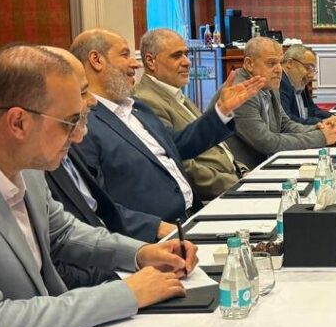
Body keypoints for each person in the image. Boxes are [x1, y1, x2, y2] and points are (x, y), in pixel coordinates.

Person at [0, 45, 194, 327]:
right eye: (70, 122)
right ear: (18, 122)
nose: (80, 135)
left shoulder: (22, 160)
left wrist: (141, 253)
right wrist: (126, 293)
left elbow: (63, 233)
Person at [72, 29, 264, 222]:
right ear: (96, 60)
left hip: (194, 213)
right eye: (125, 55)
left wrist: (222, 110)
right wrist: (157, 228)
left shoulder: (137, 108)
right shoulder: (85, 125)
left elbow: (179, 144)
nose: (135, 63)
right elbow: (100, 205)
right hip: (160, 230)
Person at [42, 48, 173, 251]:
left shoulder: (69, 144)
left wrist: (140, 255)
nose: (93, 101)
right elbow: (62, 247)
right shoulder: (35, 165)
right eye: (83, 92)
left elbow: (91, 219)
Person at [134, 28, 246, 202]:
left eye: (186, 54)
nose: (187, 62)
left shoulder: (177, 94)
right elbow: (181, 165)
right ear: (150, 61)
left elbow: (219, 149)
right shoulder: (146, 100)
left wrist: (243, 173)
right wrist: (237, 184)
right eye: (176, 56)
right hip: (211, 197)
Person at [218, 37, 336, 168]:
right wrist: (320, 137)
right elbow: (267, 143)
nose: (278, 70)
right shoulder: (241, 91)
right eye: (271, 63)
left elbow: (284, 124)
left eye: (280, 63)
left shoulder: (269, 84)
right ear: (249, 64)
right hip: (238, 172)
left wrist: (318, 128)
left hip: (263, 165)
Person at [279, 44, 336, 129]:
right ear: (290, 63)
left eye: (313, 70)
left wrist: (333, 117)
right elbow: (288, 121)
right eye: (308, 68)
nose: (311, 75)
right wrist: (323, 122)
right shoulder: (280, 83)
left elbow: (313, 110)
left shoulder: (299, 82)